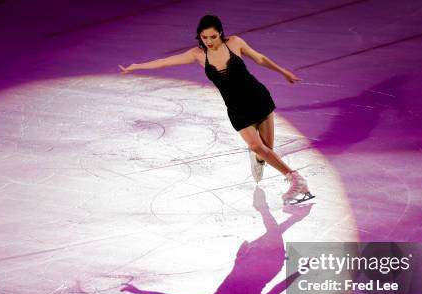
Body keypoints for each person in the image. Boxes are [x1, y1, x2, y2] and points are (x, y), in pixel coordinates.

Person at [119, 15, 314, 205]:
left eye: (213, 36)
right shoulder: (197, 54)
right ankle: (297, 180)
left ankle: (260, 159)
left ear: (220, 33)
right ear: (199, 37)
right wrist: (137, 66)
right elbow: (165, 62)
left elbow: (259, 58)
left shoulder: (235, 43)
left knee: (266, 152)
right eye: (205, 38)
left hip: (258, 98)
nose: (209, 41)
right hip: (237, 108)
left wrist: (283, 72)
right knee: (256, 146)